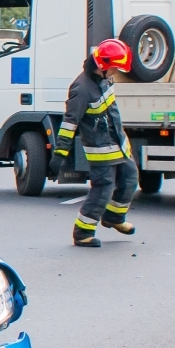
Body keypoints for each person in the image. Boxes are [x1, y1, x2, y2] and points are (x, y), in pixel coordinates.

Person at [51, 38, 137, 248]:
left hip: (119, 144)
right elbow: (70, 123)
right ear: (102, 66)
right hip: (101, 150)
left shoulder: (104, 79)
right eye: (114, 68)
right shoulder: (81, 90)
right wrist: (60, 154)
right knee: (103, 189)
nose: (116, 72)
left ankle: (114, 218)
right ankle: (83, 233)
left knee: (130, 178)